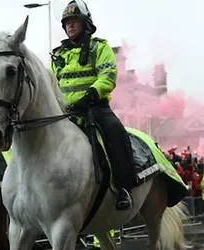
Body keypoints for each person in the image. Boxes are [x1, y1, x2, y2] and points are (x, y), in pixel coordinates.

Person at [51, 0, 135, 210]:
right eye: (67, 22)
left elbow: (108, 75)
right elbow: (52, 83)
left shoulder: (100, 47)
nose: (70, 25)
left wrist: (91, 94)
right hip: (65, 112)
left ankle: (124, 188)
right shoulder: (58, 54)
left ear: (85, 22)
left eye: (74, 21)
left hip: (94, 107)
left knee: (115, 133)